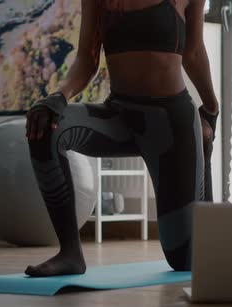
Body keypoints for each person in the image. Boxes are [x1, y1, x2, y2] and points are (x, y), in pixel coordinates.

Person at [25, 0, 219, 277]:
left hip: (171, 123)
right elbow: (86, 60)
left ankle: (203, 147)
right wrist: (59, 96)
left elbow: (195, 53)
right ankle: (70, 253)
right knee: (45, 125)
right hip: (119, 115)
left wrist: (211, 110)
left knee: (185, 259)